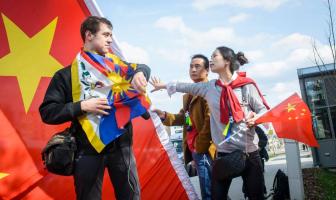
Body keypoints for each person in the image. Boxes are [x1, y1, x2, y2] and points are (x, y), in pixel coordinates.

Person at [39, 16, 150, 200]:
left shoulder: (117, 67)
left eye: (111, 35)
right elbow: (47, 112)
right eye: (106, 34)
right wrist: (82, 106)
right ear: (89, 35)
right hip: (86, 150)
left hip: (121, 148)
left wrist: (139, 73)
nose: (110, 39)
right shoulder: (66, 75)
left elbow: (143, 67)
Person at [150, 46, 269, 200]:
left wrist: (256, 118)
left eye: (214, 56)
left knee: (256, 196)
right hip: (223, 155)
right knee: (214, 196)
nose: (211, 59)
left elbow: (264, 110)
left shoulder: (246, 86)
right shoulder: (209, 88)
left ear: (227, 61)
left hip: (249, 153)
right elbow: (184, 91)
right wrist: (164, 86)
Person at [152, 54, 213, 200]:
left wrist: (200, 146)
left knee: (208, 190)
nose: (193, 69)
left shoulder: (208, 91)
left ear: (207, 71)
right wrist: (163, 115)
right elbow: (184, 118)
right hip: (194, 149)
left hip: (206, 149)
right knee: (211, 188)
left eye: (197, 66)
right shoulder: (188, 95)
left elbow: (209, 121)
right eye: (191, 66)